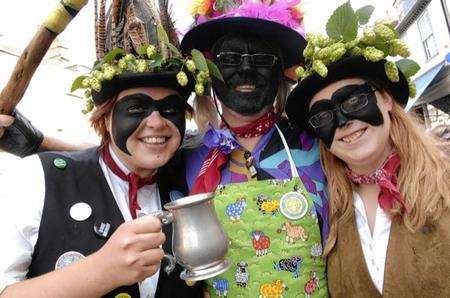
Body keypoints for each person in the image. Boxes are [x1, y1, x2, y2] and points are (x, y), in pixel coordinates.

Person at [0, 0, 206, 297]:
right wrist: (99, 271)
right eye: (137, 108)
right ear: (105, 117)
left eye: (170, 109)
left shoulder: (192, 172)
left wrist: (37, 141)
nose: (157, 123)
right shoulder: (36, 178)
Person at [285, 5, 450, 296]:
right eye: (323, 116)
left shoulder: (445, 178)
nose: (344, 122)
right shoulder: (330, 209)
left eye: (352, 101)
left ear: (385, 99)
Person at [179, 1, 328, 296]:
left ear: (280, 73)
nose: (246, 69)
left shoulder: (320, 145)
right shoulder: (184, 158)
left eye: (261, 59)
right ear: (210, 70)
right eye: (231, 58)